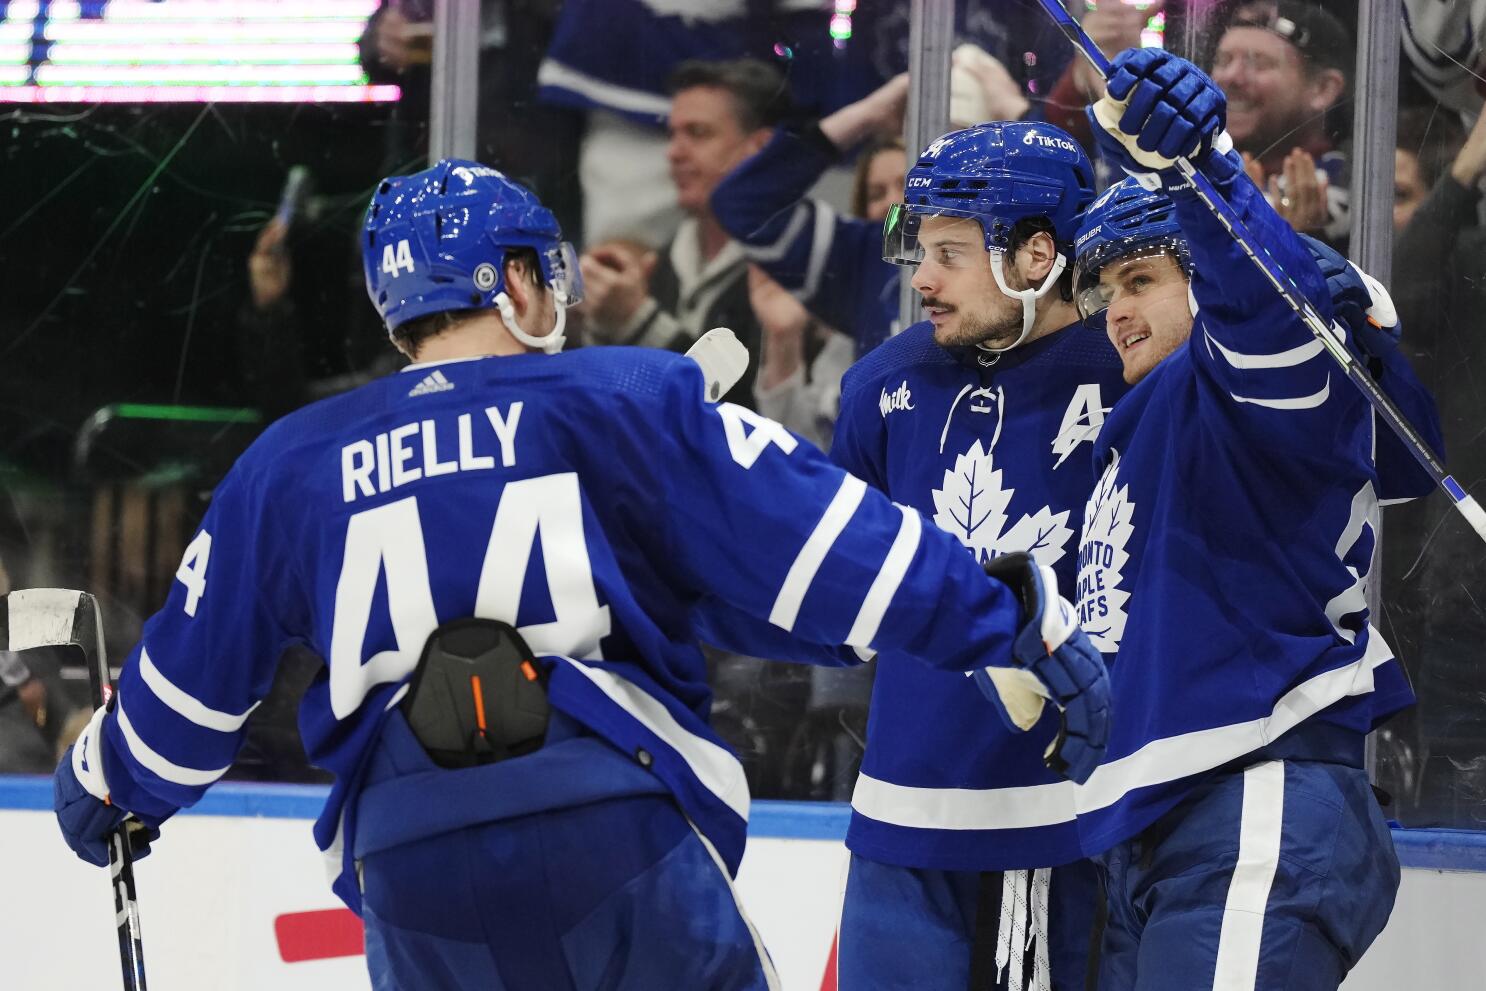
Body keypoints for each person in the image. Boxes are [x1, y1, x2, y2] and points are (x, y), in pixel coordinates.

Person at [51, 159, 1111, 991]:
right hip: (608, 821)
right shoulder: (621, 397)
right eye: (540, 267)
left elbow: (178, 707)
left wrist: (102, 786)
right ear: (513, 281)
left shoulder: (288, 461)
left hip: (407, 855)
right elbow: (833, 550)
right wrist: (1007, 619)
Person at [1066, 48, 1441, 987]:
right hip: (1167, 820)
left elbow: (1263, 309)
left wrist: (1205, 168)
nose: (1116, 312)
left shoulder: (1244, 387)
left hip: (1253, 794)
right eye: (1106, 290)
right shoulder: (1143, 420)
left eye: (1142, 279)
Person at [828, 120, 1127, 990]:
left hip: (1063, 825)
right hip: (895, 819)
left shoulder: (1127, 373)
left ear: (1037, 255)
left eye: (951, 253)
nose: (922, 278)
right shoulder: (880, 384)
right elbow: (839, 599)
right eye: (921, 250)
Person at [577, 58, 789, 407]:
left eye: (698, 133)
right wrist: (599, 322)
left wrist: (638, 321)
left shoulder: (801, 271)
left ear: (760, 148)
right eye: (672, 134)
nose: (674, 153)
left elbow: (754, 419)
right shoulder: (658, 264)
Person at [1209, 0, 1352, 242]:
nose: (1231, 76)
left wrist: (1306, 239)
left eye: (1258, 63)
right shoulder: (1186, 173)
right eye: (1222, 61)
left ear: (1322, 89)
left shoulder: (1359, 188)